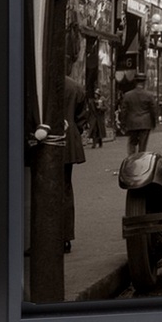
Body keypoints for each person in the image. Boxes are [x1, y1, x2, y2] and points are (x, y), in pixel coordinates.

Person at [63, 73, 88, 254]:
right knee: (65, 189)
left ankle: (46, 237)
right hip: (69, 141)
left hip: (45, 141)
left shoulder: (42, 83)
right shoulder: (75, 86)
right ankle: (65, 237)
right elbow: (81, 118)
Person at [121, 75, 159, 155]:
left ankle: (131, 158)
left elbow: (124, 111)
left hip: (132, 123)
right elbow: (153, 110)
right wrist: (154, 122)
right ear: (144, 83)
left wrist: (123, 123)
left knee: (132, 143)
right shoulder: (149, 95)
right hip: (145, 123)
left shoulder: (127, 95)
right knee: (142, 145)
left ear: (135, 82)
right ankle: (141, 159)